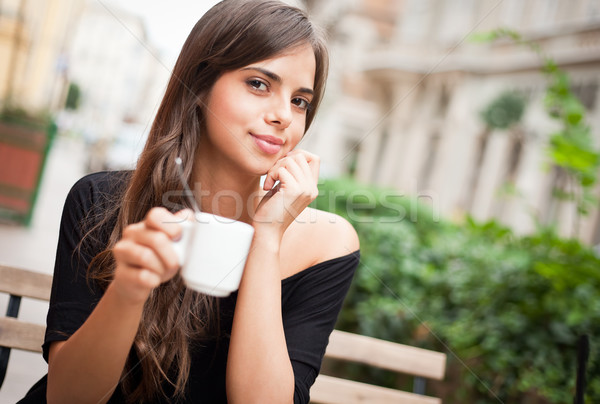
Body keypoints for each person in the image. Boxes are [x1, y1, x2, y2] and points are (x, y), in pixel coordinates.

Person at [20, 0, 359, 403]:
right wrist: (129, 289)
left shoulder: (327, 245)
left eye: (300, 101)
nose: (284, 115)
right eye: (258, 84)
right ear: (198, 86)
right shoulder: (102, 203)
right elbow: (68, 397)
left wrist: (267, 237)